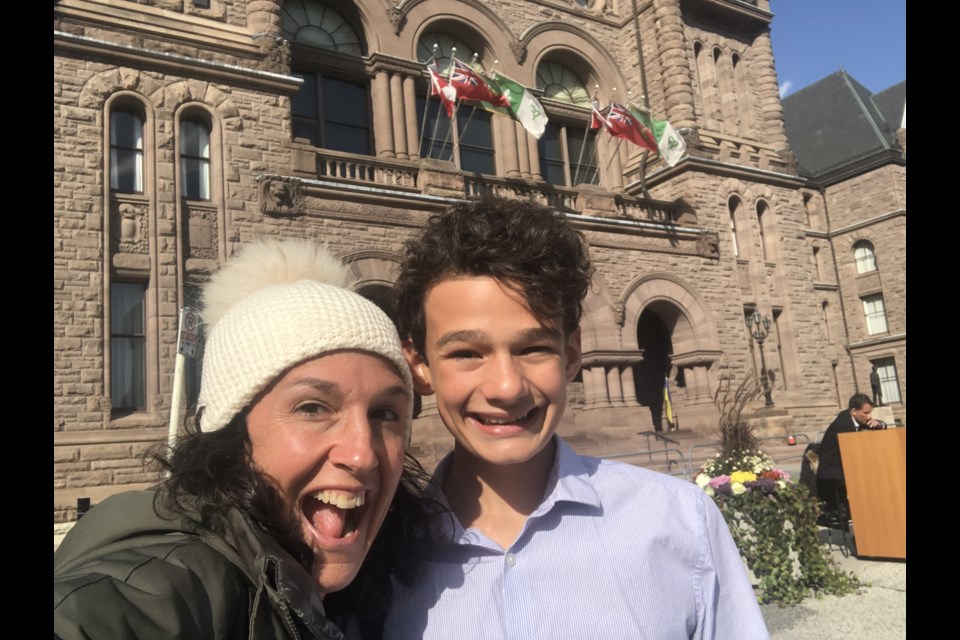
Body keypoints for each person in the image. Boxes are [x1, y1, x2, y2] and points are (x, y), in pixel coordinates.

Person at [383, 197, 769, 639]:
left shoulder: (680, 521)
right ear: (420, 367)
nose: (506, 387)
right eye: (466, 353)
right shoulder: (378, 561)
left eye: (533, 349)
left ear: (570, 356)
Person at [54, 240, 437, 640]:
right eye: (312, 408)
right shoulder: (174, 582)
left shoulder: (388, 581)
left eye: (384, 413)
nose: (363, 454)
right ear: (231, 429)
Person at [816, 392, 887, 511]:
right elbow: (854, 452)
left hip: (845, 468)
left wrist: (879, 424)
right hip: (833, 475)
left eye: (870, 412)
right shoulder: (843, 424)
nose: (869, 416)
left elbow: (876, 425)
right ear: (854, 411)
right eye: (866, 412)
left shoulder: (854, 419)